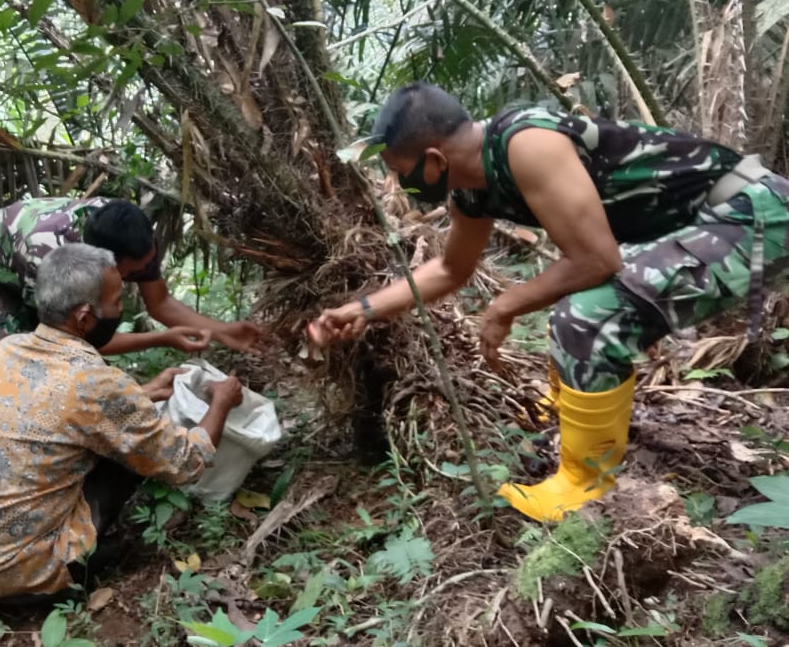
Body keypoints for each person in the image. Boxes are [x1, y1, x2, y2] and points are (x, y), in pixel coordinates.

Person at [311, 82, 789, 523]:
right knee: (582, 301)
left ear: (434, 158)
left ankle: (584, 487)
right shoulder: (472, 192)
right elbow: (450, 270)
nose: (400, 186)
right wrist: (363, 310)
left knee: (587, 318)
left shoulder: (526, 144)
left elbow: (597, 259)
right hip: (697, 221)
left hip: (751, 210)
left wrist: (506, 305)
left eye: (401, 173)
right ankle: (572, 408)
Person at [0, 243, 245, 602]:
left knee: (108, 437)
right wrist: (222, 401)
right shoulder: (95, 382)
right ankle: (65, 568)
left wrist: (142, 393)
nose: (121, 309)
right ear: (85, 318)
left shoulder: (8, 350)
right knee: (126, 458)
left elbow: (53, 408)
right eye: (116, 302)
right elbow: (185, 462)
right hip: (23, 574)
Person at [0, 196, 265, 355]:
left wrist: (223, 331)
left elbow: (160, 303)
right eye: (133, 273)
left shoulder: (130, 235)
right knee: (23, 358)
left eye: (147, 263)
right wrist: (160, 339)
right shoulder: (49, 260)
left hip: (30, 249)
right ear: (108, 266)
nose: (141, 274)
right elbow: (68, 342)